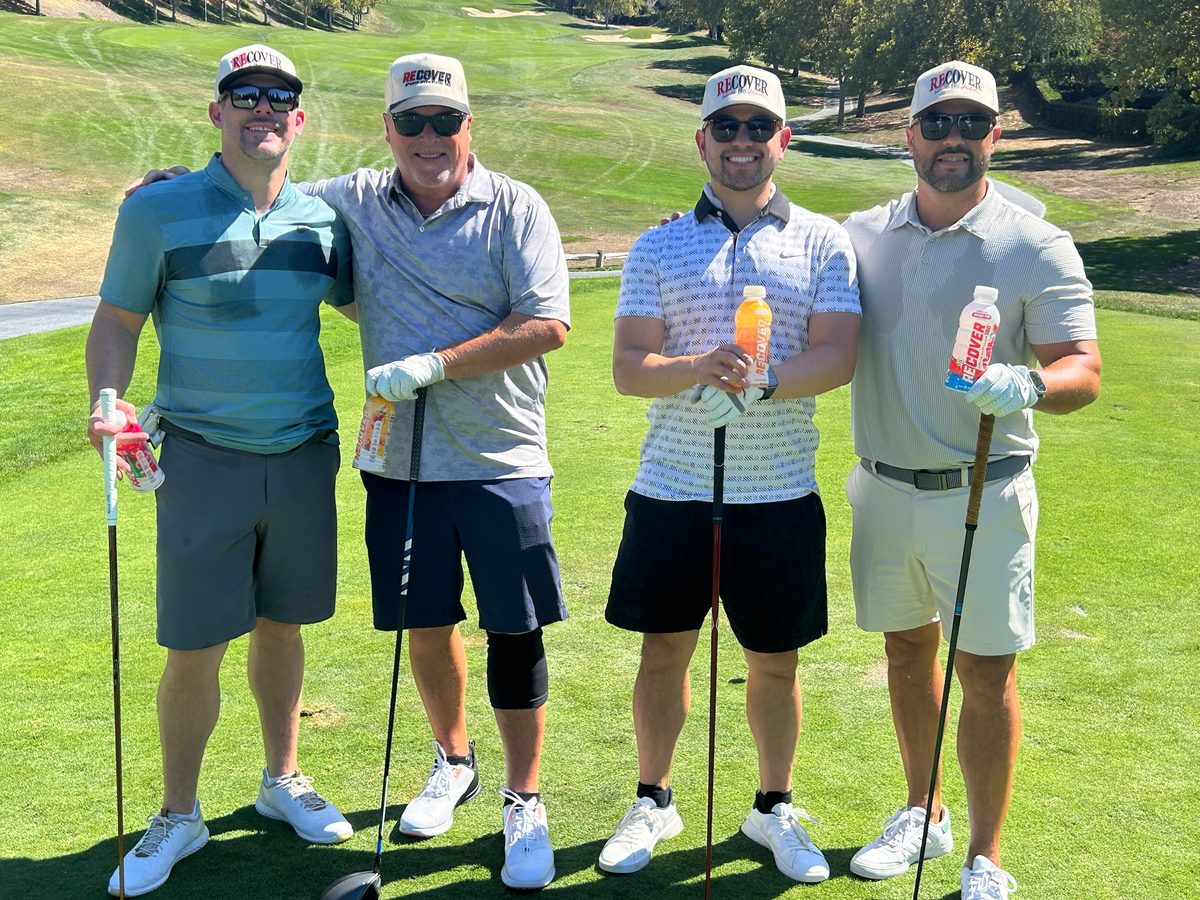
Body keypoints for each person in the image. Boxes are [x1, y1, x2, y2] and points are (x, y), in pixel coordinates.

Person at [86, 44, 355, 897]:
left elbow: (369, 301)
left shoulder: (323, 219)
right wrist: (106, 397)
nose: (262, 108)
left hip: (305, 449)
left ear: (299, 120)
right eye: (244, 96)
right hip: (200, 457)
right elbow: (119, 318)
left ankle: (282, 780)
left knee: (284, 626)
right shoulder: (158, 210)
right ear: (217, 113)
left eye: (280, 97)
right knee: (193, 644)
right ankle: (179, 812)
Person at [303, 53, 571, 891]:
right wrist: (159, 192)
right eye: (411, 121)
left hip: (500, 457)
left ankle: (523, 798)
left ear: (468, 125)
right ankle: (452, 761)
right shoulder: (352, 197)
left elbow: (548, 324)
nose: (429, 136)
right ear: (386, 128)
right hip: (398, 462)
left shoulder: (516, 207)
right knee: (425, 620)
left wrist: (432, 366)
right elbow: (266, 198)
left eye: (445, 120)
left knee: (513, 627)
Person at [842, 61, 1102, 900]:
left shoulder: (1035, 242)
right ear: (908, 134)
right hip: (881, 486)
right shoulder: (865, 232)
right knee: (905, 653)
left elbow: (1083, 367)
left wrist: (1032, 383)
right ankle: (924, 812)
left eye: (971, 124)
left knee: (984, 674)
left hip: (984, 487)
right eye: (937, 123)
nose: (953, 139)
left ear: (996, 135)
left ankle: (983, 857)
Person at [602, 64, 861, 883]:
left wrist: (763, 382)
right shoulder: (659, 243)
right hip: (674, 485)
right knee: (662, 653)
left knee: (776, 661)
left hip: (778, 489)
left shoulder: (824, 240)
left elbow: (837, 354)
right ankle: (654, 795)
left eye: (758, 128)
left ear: (783, 139)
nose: (741, 142)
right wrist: (695, 368)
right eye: (727, 127)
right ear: (702, 139)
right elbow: (629, 367)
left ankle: (772, 808)